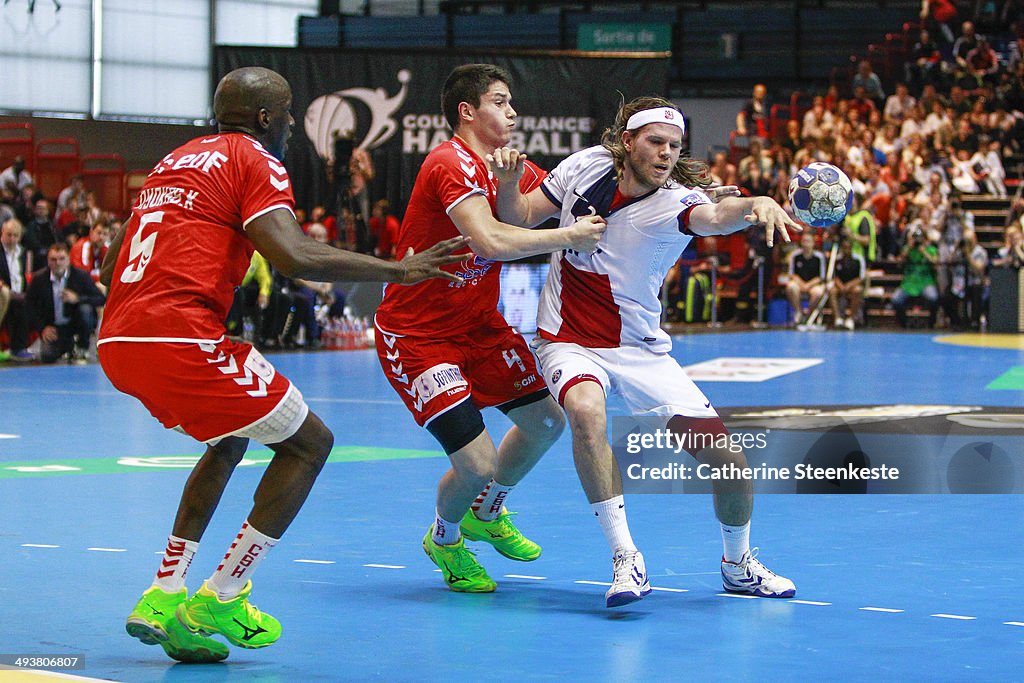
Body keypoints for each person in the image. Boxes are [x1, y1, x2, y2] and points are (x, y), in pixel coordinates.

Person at [98, 66, 467, 663]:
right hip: (183, 340)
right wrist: (399, 270)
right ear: (267, 117)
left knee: (227, 442)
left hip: (119, 341)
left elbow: (114, 255)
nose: (294, 125)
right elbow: (292, 255)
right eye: (290, 113)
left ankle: (164, 594)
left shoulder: (174, 162)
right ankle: (224, 592)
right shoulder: (255, 159)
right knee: (310, 443)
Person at [492, 96, 797, 607]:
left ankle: (738, 564)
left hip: (640, 350)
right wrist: (505, 182)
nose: (665, 155)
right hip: (567, 339)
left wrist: (755, 206)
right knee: (586, 413)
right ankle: (625, 557)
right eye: (656, 142)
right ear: (627, 141)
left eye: (675, 147)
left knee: (730, 463)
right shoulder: (583, 166)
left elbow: (717, 213)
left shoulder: (676, 202)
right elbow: (519, 215)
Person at [372, 64, 606, 594]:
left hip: (479, 326)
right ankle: (446, 538)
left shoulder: (509, 167)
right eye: (501, 102)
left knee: (547, 423)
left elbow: (553, 204)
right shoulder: (447, 163)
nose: (513, 112)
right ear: (468, 111)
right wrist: (570, 237)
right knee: (476, 463)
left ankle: (487, 512)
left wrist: (677, 192)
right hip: (419, 337)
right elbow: (491, 242)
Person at [26, 242, 105, 364]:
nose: (57, 263)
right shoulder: (39, 279)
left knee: (85, 309)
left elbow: (100, 298)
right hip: (53, 327)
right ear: (48, 260)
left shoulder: (81, 276)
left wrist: (77, 299)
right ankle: (68, 347)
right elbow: (29, 306)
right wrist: (42, 328)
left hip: (74, 324)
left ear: (68, 259)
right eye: (53, 259)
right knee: (47, 356)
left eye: (61, 259)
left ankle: (82, 347)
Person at [892, 227, 940, 327]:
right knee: (896, 299)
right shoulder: (908, 249)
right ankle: (903, 323)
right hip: (909, 283)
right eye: (916, 238)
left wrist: (924, 252)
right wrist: (908, 248)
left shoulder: (931, 250)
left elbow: (936, 264)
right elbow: (899, 263)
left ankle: (932, 322)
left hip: (925, 281)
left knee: (933, 297)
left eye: (920, 238)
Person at [0, 218, 33, 361]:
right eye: (9, 235)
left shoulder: (23, 252)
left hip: (19, 292)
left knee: (25, 300)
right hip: (3, 292)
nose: (12, 239)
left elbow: (24, 275)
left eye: (15, 235)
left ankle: (18, 348)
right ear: (2, 233)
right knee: (10, 297)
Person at [785, 232, 826, 325]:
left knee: (818, 292)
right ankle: (798, 311)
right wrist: (802, 285)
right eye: (803, 241)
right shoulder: (795, 256)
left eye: (808, 241)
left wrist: (808, 285)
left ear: (813, 243)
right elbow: (792, 274)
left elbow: (821, 277)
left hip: (813, 285)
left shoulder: (819, 257)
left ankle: (808, 315)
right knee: (791, 286)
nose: (805, 243)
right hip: (799, 284)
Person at [828, 238, 866, 330]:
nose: (846, 250)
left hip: (853, 285)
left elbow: (861, 278)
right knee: (832, 290)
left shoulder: (858, 259)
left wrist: (849, 285)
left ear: (851, 248)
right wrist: (841, 286)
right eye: (844, 248)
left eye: (848, 248)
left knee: (857, 290)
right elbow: (834, 276)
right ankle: (838, 318)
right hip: (840, 285)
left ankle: (851, 319)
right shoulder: (837, 259)